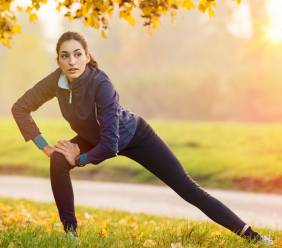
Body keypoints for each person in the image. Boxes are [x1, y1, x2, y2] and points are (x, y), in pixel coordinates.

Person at [11, 31, 273, 245]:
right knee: (58, 161)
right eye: (65, 56)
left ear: (87, 56)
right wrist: (45, 147)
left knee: (189, 190)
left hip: (134, 135)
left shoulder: (101, 84)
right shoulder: (56, 81)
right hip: (95, 137)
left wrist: (79, 159)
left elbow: (110, 143)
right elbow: (20, 107)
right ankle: (70, 235)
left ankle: (252, 236)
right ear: (58, 61)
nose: (72, 61)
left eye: (78, 54)